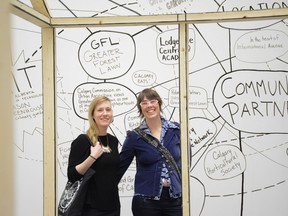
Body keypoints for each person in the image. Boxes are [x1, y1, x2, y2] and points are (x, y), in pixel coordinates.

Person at [118, 88, 182, 216]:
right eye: (144, 103)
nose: (149, 106)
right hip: (145, 202)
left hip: (175, 199)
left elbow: (186, 164)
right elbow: (119, 168)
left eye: (152, 101)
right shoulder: (134, 136)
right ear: (140, 108)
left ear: (159, 103)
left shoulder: (177, 130)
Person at [67, 95, 120, 216]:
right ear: (93, 115)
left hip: (113, 206)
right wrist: (92, 157)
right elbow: (72, 175)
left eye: (108, 109)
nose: (105, 113)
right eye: (100, 110)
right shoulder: (83, 140)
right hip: (90, 208)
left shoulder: (113, 141)